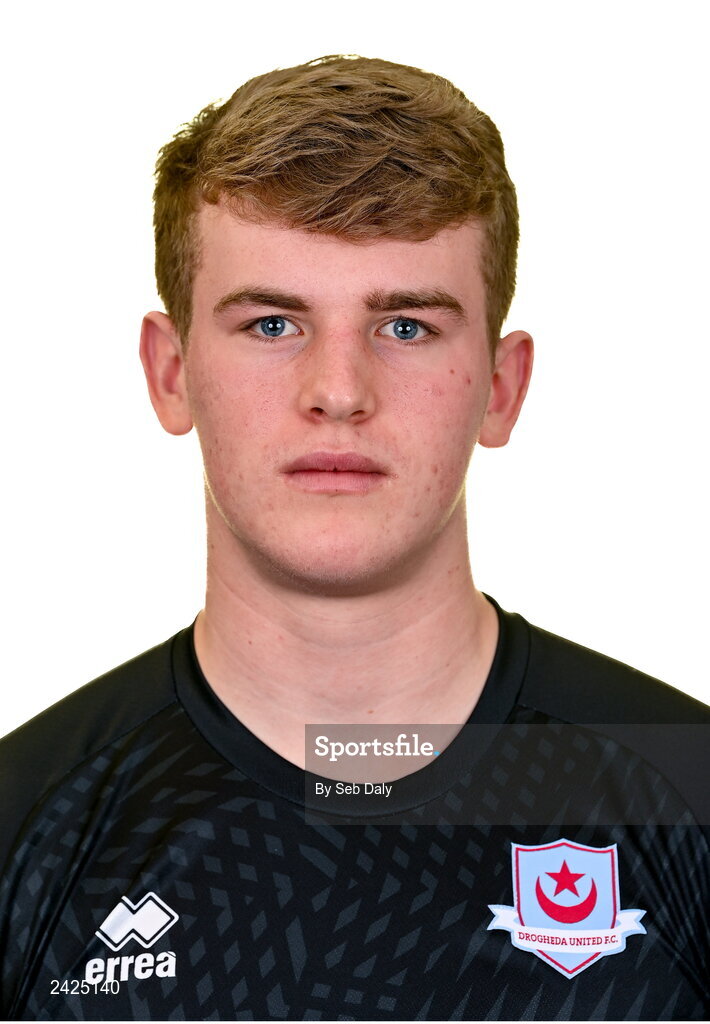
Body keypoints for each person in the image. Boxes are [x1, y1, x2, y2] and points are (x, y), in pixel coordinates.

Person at [0, 54, 707, 1022]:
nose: (338, 391)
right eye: (272, 324)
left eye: (405, 327)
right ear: (170, 372)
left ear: (501, 387)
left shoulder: (686, 802)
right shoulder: (26, 828)